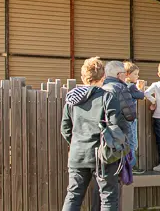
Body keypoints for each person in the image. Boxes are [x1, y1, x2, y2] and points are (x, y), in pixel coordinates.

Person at [61, 57, 125, 211]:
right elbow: (115, 126)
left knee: (73, 196)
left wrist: (76, 142)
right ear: (103, 77)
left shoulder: (72, 100)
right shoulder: (108, 97)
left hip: (77, 154)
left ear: (83, 77)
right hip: (103, 155)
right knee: (108, 198)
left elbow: (65, 128)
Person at [123, 61, 148, 175]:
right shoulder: (130, 86)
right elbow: (140, 96)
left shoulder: (122, 86)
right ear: (127, 74)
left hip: (123, 119)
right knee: (133, 143)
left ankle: (126, 164)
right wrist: (140, 88)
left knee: (126, 142)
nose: (137, 76)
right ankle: (131, 165)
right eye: (135, 74)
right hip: (131, 119)